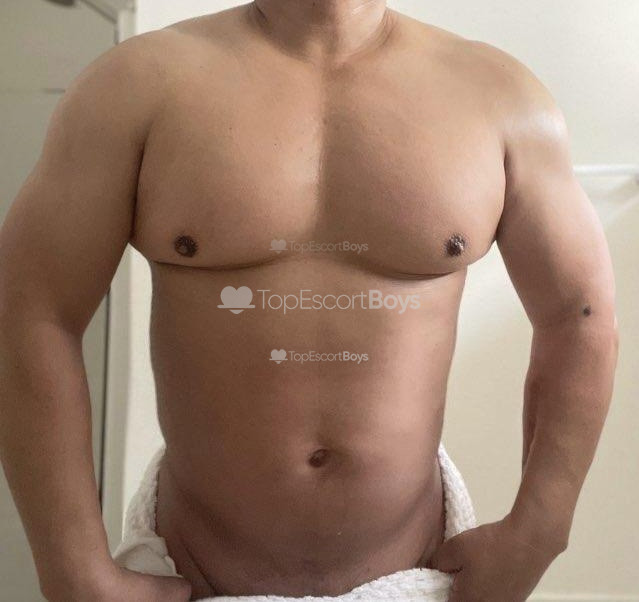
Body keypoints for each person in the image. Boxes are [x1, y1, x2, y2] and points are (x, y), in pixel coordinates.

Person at [0, 1, 618, 601]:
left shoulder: (499, 95)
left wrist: (540, 529)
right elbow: (32, 310)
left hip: (419, 566)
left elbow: (579, 315)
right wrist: (71, 569)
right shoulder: (135, 85)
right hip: (193, 569)